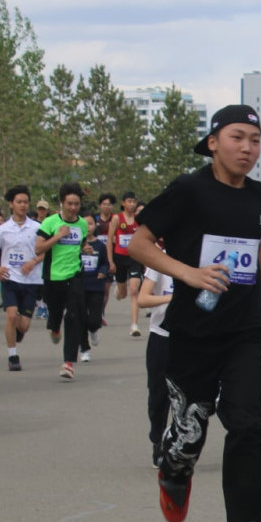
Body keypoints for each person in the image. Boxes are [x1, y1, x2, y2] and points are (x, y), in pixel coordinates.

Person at [126, 103, 261, 522]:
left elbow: (255, 260)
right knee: (192, 427)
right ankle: (174, 471)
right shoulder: (189, 190)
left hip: (245, 330)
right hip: (193, 330)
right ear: (213, 142)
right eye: (237, 137)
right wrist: (189, 274)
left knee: (249, 427)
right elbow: (139, 243)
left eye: (255, 140)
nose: (248, 148)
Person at [35, 183, 90, 381]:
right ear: (62, 203)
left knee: (74, 316)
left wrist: (86, 249)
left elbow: (81, 244)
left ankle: (68, 363)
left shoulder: (82, 224)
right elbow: (38, 249)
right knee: (56, 315)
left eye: (76, 204)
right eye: (69, 204)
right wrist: (58, 236)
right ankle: (54, 326)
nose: (73, 207)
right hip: (53, 277)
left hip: (74, 276)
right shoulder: (50, 223)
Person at [0, 186, 43, 371]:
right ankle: (13, 356)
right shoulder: (3, 229)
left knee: (24, 326)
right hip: (10, 278)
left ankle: (18, 331)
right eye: (19, 202)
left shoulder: (37, 228)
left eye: (26, 202)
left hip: (31, 280)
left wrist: (33, 262)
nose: (23, 205)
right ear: (11, 204)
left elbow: (46, 252)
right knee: (11, 315)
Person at [137, 260, 176, 468]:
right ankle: (157, 438)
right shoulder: (160, 259)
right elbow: (143, 298)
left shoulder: (200, 254)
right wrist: (171, 298)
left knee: (187, 395)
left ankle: (178, 442)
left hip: (191, 337)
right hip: (161, 336)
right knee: (158, 396)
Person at [109, 191, 145, 337]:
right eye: (129, 201)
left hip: (134, 257)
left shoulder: (139, 219)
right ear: (123, 203)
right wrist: (111, 261)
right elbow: (109, 241)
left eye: (133, 201)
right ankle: (119, 290)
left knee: (134, 290)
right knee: (123, 293)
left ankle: (134, 325)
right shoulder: (117, 219)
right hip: (120, 258)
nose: (131, 204)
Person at [77, 227, 110, 362]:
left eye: (90, 223)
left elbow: (105, 263)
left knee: (95, 319)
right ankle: (84, 349)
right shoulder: (76, 245)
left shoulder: (100, 246)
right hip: (79, 285)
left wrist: (103, 271)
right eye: (85, 223)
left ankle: (94, 329)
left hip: (96, 286)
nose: (88, 227)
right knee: (80, 319)